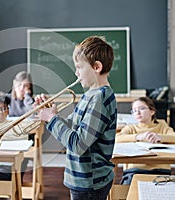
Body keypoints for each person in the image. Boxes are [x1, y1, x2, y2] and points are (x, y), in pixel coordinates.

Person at [35, 36, 117, 200]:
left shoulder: (99, 98)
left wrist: (52, 120)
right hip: (83, 178)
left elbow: (78, 144)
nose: (76, 73)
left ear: (96, 67)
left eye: (79, 67)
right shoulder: (91, 95)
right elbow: (73, 127)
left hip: (89, 181)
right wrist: (52, 114)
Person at [116, 96, 175, 185]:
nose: (138, 112)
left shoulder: (162, 125)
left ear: (152, 111)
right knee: (128, 188)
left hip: (160, 170)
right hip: (135, 170)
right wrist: (138, 137)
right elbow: (117, 138)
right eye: (134, 110)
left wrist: (160, 137)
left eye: (142, 108)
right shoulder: (131, 128)